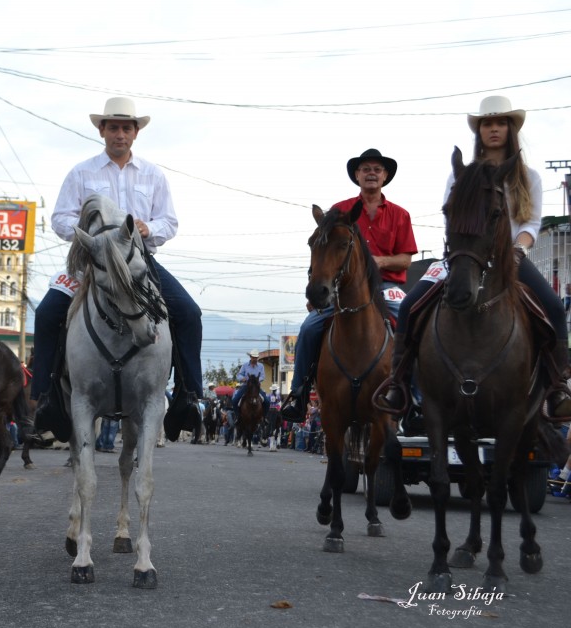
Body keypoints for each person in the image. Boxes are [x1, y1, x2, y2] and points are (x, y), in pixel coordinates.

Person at [375, 96, 571, 418]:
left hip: (510, 256)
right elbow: (450, 216)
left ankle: (557, 387)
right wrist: (458, 252)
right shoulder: (459, 174)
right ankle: (398, 383)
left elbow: (530, 224)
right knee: (410, 305)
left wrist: (518, 251)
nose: (493, 129)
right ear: (479, 131)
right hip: (462, 256)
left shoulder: (529, 176)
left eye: (500, 123)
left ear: (510, 129)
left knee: (553, 308)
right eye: (487, 124)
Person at [31, 96, 204, 439]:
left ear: (136, 132)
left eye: (126, 128)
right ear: (102, 130)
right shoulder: (81, 172)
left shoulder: (153, 175)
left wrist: (147, 229)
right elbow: (60, 218)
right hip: (91, 262)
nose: (120, 134)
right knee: (47, 313)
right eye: (113, 127)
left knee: (189, 313)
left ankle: (188, 396)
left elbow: (169, 221)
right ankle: (46, 399)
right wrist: (90, 234)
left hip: (139, 263)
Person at [281, 149, 417, 422]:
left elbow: (405, 259)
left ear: (385, 176)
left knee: (414, 321)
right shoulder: (339, 210)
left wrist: (380, 261)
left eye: (377, 169)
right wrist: (317, 288)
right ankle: (299, 394)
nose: (371, 173)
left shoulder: (400, 215)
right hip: (342, 288)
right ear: (357, 175)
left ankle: (416, 397)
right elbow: (323, 251)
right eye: (366, 169)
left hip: (385, 285)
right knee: (308, 328)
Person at [232, 350, 270, 417]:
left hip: (256, 387)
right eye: (253, 357)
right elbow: (239, 375)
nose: (255, 359)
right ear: (250, 357)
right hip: (246, 386)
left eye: (256, 358)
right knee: (235, 400)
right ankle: (237, 417)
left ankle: (264, 417)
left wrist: (256, 380)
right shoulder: (245, 365)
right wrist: (243, 378)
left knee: (267, 401)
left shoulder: (261, 366)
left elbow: (262, 376)